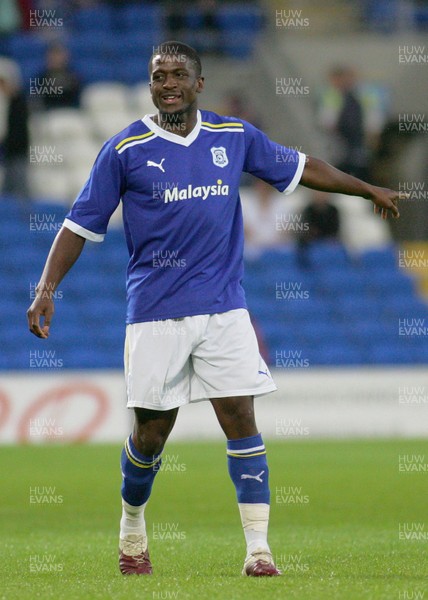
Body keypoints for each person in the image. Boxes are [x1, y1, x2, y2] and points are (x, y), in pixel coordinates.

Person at [27, 41, 403, 578]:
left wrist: (365, 189)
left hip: (225, 310)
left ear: (198, 83)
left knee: (241, 419)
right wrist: (45, 288)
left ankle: (258, 550)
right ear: (152, 84)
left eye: (178, 74)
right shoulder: (124, 149)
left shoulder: (234, 136)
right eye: (159, 76)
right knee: (151, 436)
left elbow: (303, 167)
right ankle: (132, 522)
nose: (168, 83)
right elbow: (79, 225)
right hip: (154, 313)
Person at [0, 57, 29, 199]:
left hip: (18, 152)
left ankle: (22, 216)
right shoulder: (5, 103)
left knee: (19, 188)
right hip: (8, 153)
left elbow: (19, 132)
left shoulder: (18, 103)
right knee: (7, 190)